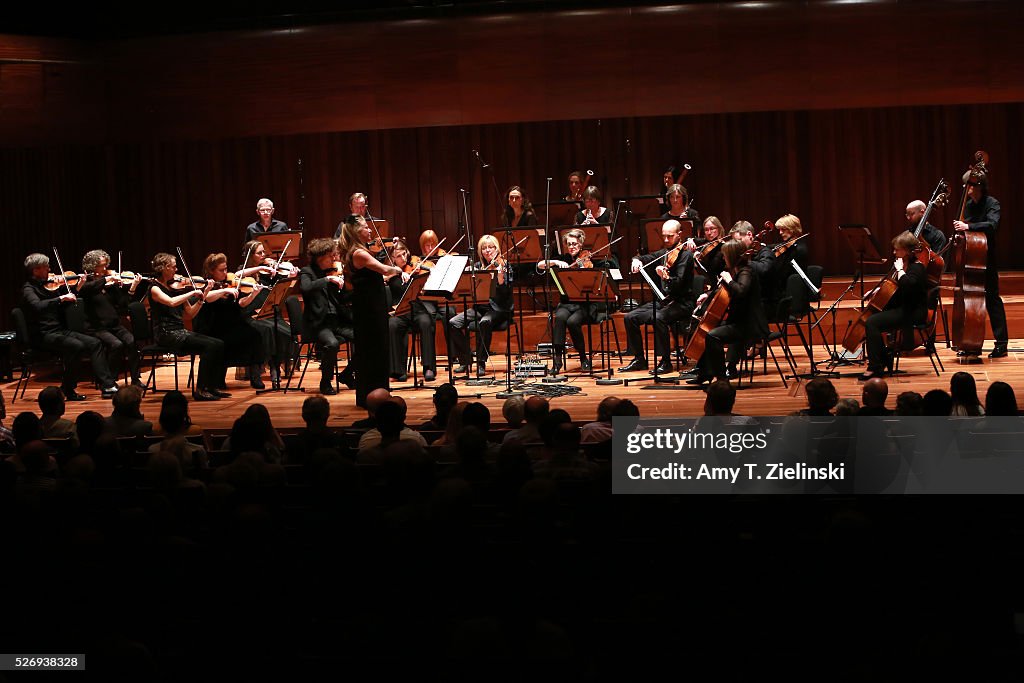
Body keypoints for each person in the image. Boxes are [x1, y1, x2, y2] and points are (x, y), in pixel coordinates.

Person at [20, 253, 119, 400]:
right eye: (46, 267)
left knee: (95, 343)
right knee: (76, 346)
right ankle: (68, 388)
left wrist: (76, 289)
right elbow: (37, 306)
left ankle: (107, 385)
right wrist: (60, 298)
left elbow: (66, 303)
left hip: (59, 330)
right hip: (42, 335)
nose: (49, 269)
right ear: (35, 270)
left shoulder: (51, 286)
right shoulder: (28, 289)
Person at [337, 214, 408, 407]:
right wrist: (400, 271)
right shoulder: (359, 253)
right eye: (366, 227)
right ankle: (373, 397)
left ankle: (377, 395)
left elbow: (373, 276)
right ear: (356, 231)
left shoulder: (361, 250)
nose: (370, 230)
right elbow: (384, 270)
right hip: (368, 309)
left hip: (370, 306)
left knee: (375, 351)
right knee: (373, 352)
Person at [686, 239, 769, 385]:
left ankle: (721, 378)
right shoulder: (737, 270)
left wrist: (729, 280)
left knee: (713, 336)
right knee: (709, 331)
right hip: (739, 321)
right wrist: (709, 294)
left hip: (749, 324)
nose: (723, 258)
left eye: (725, 255)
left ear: (731, 256)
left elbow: (741, 291)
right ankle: (705, 373)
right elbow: (725, 292)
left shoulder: (746, 271)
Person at [146, 252, 226, 401]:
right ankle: (201, 390)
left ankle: (212, 386)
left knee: (218, 344)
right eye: (173, 267)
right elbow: (171, 302)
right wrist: (191, 293)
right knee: (210, 346)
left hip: (179, 331)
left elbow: (190, 314)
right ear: (163, 268)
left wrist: (203, 295)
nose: (176, 270)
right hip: (166, 334)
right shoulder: (154, 288)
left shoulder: (177, 288)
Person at [537, 228, 618, 374]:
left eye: (574, 244)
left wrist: (582, 266)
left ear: (580, 245)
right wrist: (555, 262)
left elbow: (604, 271)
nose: (572, 247)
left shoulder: (588, 259)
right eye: (569, 244)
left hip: (586, 304)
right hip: (567, 302)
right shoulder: (564, 259)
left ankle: (583, 359)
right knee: (560, 318)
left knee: (573, 322)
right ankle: (557, 362)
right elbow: (540, 265)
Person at [621, 220, 694, 374]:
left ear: (679, 235)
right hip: (665, 302)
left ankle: (666, 362)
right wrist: (636, 259)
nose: (666, 240)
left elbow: (679, 284)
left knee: (659, 318)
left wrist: (666, 277)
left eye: (670, 236)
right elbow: (646, 257)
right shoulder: (664, 253)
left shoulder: (686, 256)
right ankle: (639, 358)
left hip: (682, 303)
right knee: (630, 317)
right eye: (664, 236)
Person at [952, 171, 1008, 358]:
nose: (966, 189)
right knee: (968, 301)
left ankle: (1001, 343)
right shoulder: (968, 206)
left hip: (986, 260)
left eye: (970, 185)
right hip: (970, 260)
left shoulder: (992, 204)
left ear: (979, 186)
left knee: (992, 300)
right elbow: (966, 232)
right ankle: (969, 342)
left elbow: (992, 225)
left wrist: (968, 227)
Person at [859, 231, 928, 381]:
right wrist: (876, 290)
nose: (894, 252)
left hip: (913, 312)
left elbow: (908, 286)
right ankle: (884, 357)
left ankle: (876, 366)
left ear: (908, 251)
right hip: (903, 308)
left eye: (897, 249)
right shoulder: (903, 265)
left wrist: (900, 270)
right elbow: (895, 286)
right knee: (872, 319)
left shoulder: (917, 268)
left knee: (872, 323)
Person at [193, 253, 268, 390]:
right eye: (221, 270)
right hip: (213, 325)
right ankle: (218, 378)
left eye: (226, 269)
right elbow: (207, 297)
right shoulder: (206, 284)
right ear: (211, 271)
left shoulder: (231, 282)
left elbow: (242, 304)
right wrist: (224, 291)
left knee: (255, 334)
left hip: (232, 322)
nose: (226, 273)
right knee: (224, 341)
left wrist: (253, 294)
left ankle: (255, 377)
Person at [449, 234, 514, 378]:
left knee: (484, 322)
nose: (488, 250)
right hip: (480, 307)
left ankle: (481, 362)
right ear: (480, 251)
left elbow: (506, 293)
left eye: (491, 247)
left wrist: (500, 278)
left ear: (497, 249)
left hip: (498, 309)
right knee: (453, 323)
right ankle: (466, 361)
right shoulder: (478, 267)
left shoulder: (504, 265)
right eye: (484, 248)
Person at [78, 249, 144, 388]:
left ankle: (135, 378)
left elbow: (123, 303)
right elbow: (88, 289)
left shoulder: (110, 286)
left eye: (105, 264)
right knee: (116, 345)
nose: (106, 268)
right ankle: (109, 380)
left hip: (114, 325)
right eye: (102, 265)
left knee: (132, 341)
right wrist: (107, 279)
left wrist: (133, 287)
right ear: (92, 267)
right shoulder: (85, 283)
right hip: (96, 327)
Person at [299, 238, 353, 395]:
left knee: (365, 338)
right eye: (331, 255)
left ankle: (347, 374)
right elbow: (306, 287)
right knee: (332, 344)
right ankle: (325, 381)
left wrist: (351, 289)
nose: (335, 258)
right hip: (320, 323)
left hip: (337, 321)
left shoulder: (333, 272)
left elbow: (341, 300)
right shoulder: (307, 272)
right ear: (320, 257)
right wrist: (327, 279)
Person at [240, 241, 296, 388]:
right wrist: (259, 267)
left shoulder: (270, 274)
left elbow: (282, 288)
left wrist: (290, 277)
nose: (264, 255)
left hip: (269, 313)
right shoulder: (243, 271)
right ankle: (257, 372)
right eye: (260, 253)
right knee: (268, 330)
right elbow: (238, 275)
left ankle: (275, 367)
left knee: (285, 330)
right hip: (250, 315)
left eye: (264, 252)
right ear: (251, 256)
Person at [388, 239, 443, 382]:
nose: (403, 258)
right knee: (392, 325)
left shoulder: (413, 270)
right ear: (392, 258)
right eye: (399, 256)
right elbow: (382, 279)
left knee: (426, 322)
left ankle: (428, 367)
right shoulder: (389, 273)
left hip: (417, 309)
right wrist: (396, 273)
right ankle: (398, 370)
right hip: (399, 312)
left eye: (404, 254)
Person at [768, 213, 809, 304]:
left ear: (793, 229)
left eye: (783, 229)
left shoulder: (798, 250)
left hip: (790, 294)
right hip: (784, 289)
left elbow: (783, 275)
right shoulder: (789, 245)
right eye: (779, 230)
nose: (780, 233)